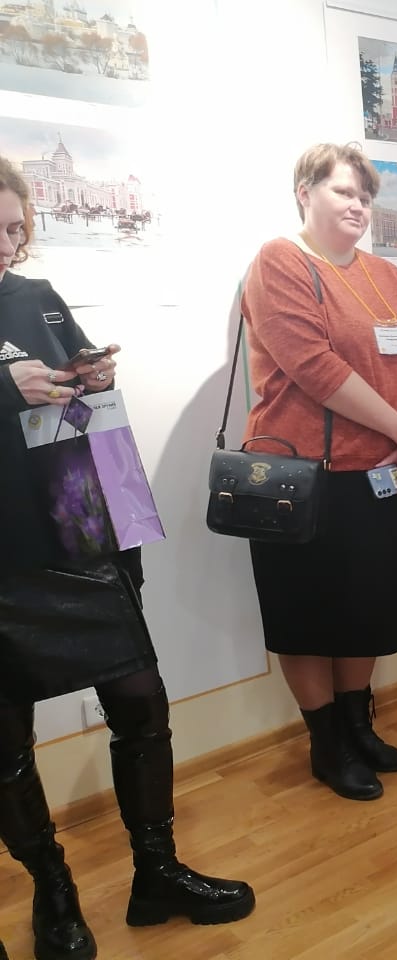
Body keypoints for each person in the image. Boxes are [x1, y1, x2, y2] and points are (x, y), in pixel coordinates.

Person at [0, 157, 253, 960]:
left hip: (73, 536)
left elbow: (84, 411)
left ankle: (157, 873)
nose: (8, 244)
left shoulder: (36, 297)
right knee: (5, 748)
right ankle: (53, 890)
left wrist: (91, 376)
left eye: (16, 228)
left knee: (141, 703)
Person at [240, 143, 397, 801]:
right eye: (343, 191)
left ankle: (358, 726)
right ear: (305, 192)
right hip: (300, 478)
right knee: (306, 614)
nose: (358, 206)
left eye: (364, 196)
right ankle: (326, 744)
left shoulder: (391, 277)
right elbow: (315, 367)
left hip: (384, 473)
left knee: (369, 609)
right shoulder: (280, 262)